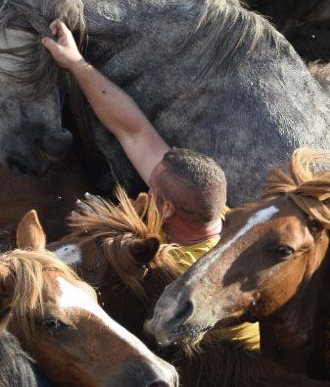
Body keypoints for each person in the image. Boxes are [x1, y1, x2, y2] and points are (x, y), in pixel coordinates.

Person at [42, 20, 260, 351]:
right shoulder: (216, 215)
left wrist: (103, 228)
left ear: (167, 208)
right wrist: (75, 62)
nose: (146, 185)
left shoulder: (180, 273)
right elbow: (134, 131)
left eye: (153, 188)